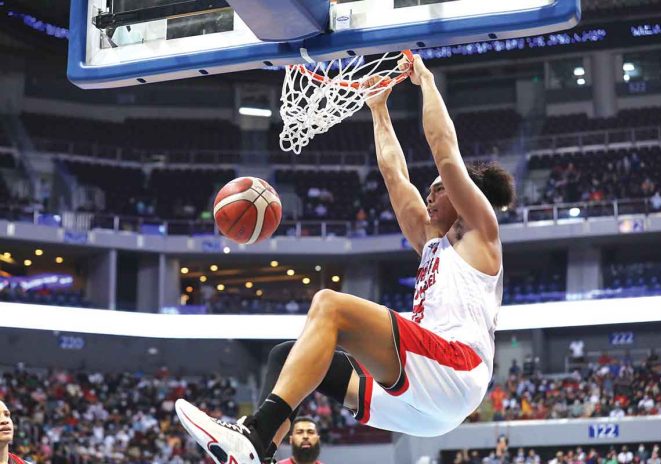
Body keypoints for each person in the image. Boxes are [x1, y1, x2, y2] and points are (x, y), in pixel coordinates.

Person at [175, 54, 515, 464]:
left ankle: (255, 435)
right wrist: (378, 109)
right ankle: (258, 453)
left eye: (439, 190)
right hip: (425, 399)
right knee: (286, 355)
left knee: (329, 307)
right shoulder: (432, 243)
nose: (430, 194)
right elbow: (395, 175)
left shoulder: (481, 230)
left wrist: (425, 80)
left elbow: (445, 153)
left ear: (464, 196)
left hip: (455, 368)